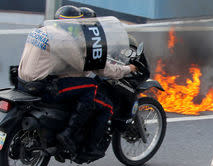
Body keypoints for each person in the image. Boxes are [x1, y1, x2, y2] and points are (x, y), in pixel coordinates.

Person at [18, 5, 136, 158]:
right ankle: (69, 134)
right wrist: (127, 69)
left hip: (23, 82)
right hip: (43, 87)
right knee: (93, 89)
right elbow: (92, 66)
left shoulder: (42, 30)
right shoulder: (64, 40)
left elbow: (63, 62)